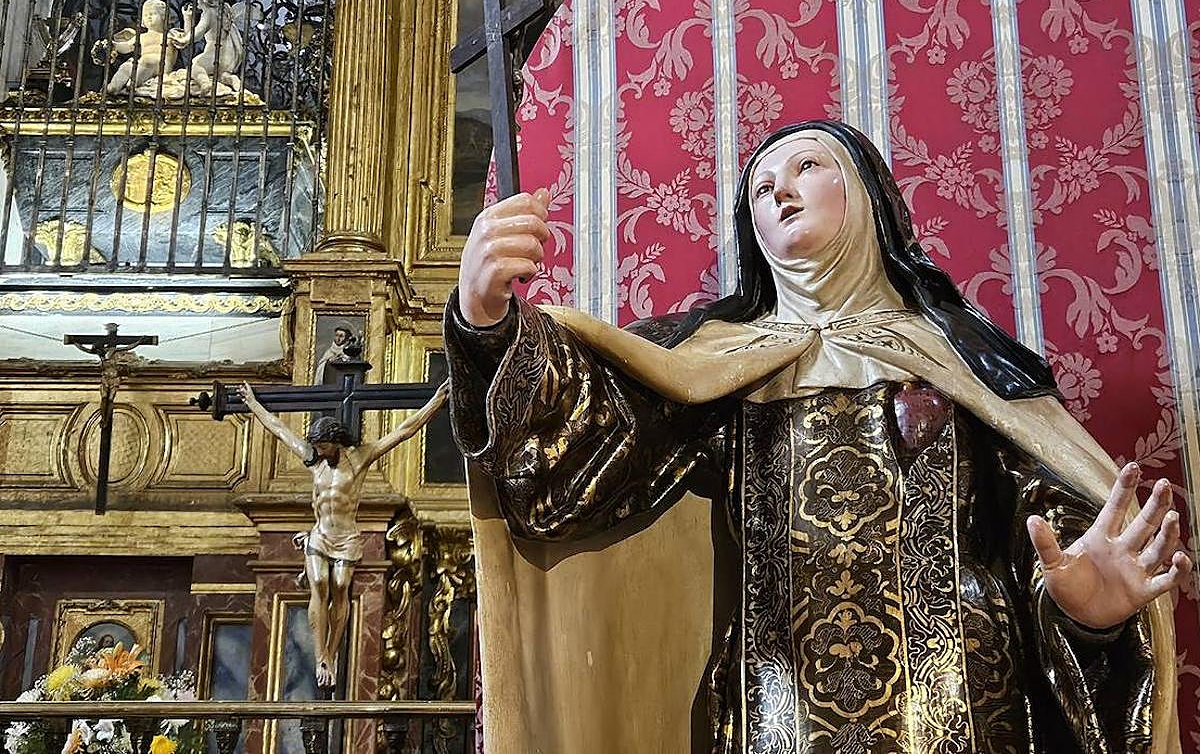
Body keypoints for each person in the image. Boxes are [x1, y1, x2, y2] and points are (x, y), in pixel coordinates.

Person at [446, 120, 1186, 753]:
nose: (780, 191)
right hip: (777, 714)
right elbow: (579, 447)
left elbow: (1052, 526)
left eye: (806, 166)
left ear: (867, 196)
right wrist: (486, 322)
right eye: (762, 188)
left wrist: (1085, 616)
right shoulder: (711, 366)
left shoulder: (969, 364)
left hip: (964, 711)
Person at [239, 381, 448, 688]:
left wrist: (435, 402)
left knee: (340, 587)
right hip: (320, 534)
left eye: (323, 446)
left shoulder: (360, 458)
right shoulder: (313, 460)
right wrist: (253, 404)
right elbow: (280, 431)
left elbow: (403, 430)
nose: (319, 452)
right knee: (320, 584)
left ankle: (330, 655)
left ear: (336, 442)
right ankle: (321, 655)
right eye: (317, 447)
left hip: (347, 537)